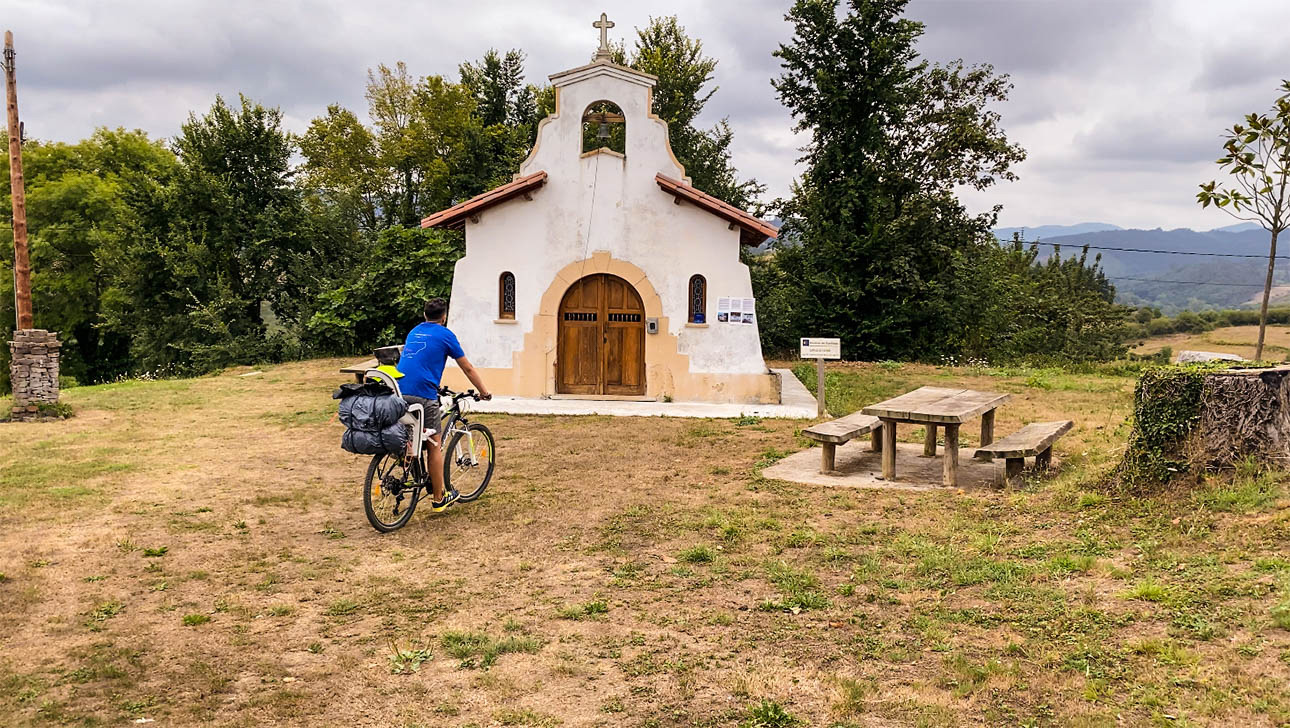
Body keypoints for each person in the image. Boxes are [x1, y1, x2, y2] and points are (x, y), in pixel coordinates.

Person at [397, 297, 492, 512]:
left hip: (400, 392)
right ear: (444, 317)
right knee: (434, 445)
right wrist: (484, 392)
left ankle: (410, 462)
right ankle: (439, 498)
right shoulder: (446, 335)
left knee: (411, 435)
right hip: (423, 395)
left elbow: (418, 361)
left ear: (424, 315)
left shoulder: (414, 331)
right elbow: (467, 368)